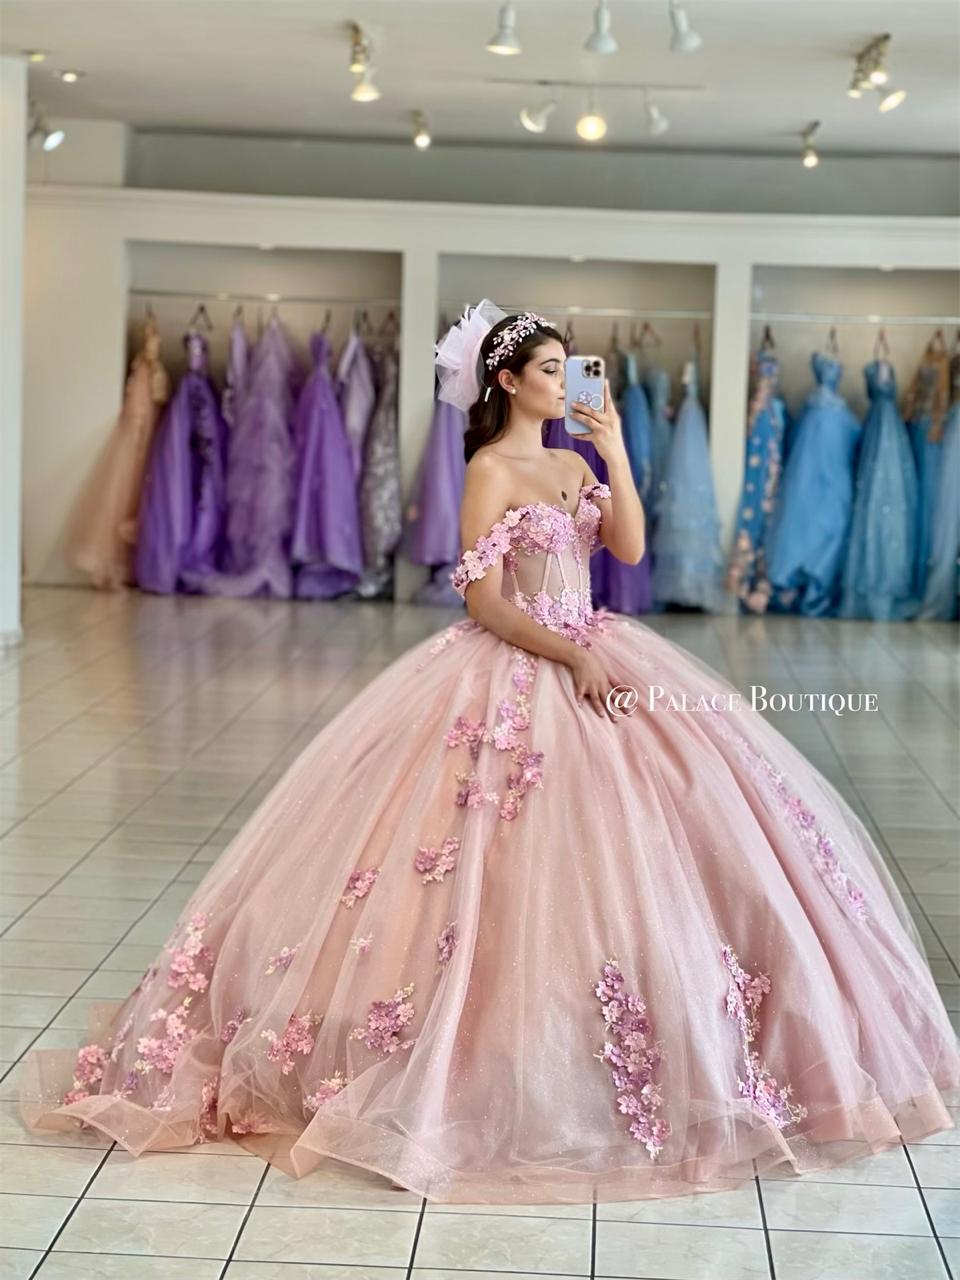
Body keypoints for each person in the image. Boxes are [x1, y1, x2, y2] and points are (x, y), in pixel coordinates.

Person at [20, 301, 960, 1208]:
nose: (565, 380)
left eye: (567, 367)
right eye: (549, 369)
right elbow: (483, 600)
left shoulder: (573, 462)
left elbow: (629, 549)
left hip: (597, 647)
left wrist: (615, 452)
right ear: (507, 382)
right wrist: (570, 656)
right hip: (523, 663)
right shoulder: (489, 469)